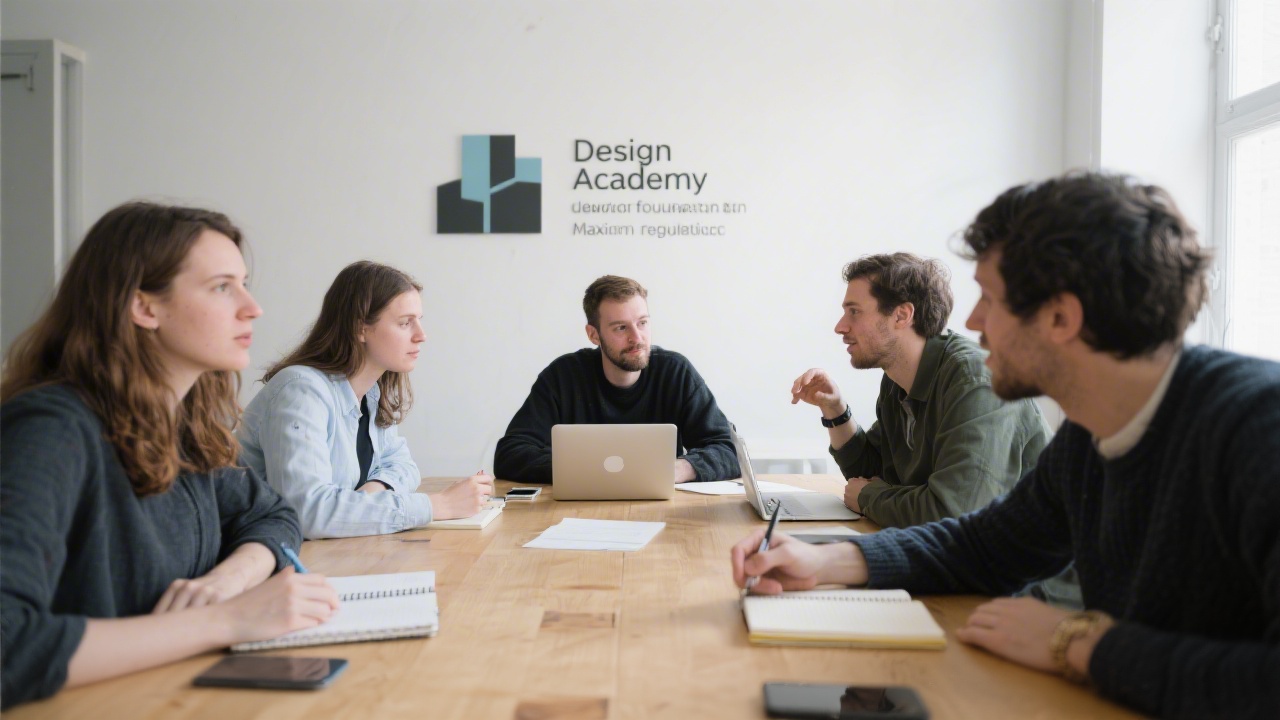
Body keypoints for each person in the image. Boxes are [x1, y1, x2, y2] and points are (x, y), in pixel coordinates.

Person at [731, 172, 1280, 719]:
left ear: (1062, 318)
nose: (972, 321)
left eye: (990, 299)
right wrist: (826, 563)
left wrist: (1077, 642)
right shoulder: (1092, 434)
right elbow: (983, 545)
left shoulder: (1258, 428)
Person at [0, 202, 340, 710]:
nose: (253, 307)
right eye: (223, 287)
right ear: (145, 307)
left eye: (244, 283)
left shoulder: (183, 427)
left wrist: (229, 580)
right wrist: (228, 619)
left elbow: (271, 514)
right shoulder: (51, 431)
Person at [790, 253, 1051, 527]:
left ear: (902, 316)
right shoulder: (897, 379)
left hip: (1024, 565)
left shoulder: (976, 381)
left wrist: (869, 497)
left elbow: (952, 512)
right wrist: (834, 409)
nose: (840, 327)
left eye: (854, 311)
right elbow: (867, 472)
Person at [237, 261, 493, 539]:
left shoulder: (371, 393)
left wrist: (370, 493)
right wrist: (437, 505)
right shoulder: (301, 391)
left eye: (419, 320)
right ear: (360, 329)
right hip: (250, 560)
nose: (421, 335)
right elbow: (308, 513)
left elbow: (404, 466)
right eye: (405, 322)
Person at [495, 274, 738, 484]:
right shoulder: (563, 376)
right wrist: (588, 469)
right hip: (575, 514)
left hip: (662, 511)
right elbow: (510, 454)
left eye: (642, 323)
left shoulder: (675, 372)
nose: (637, 338)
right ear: (593, 335)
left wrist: (677, 469)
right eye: (621, 328)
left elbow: (729, 450)